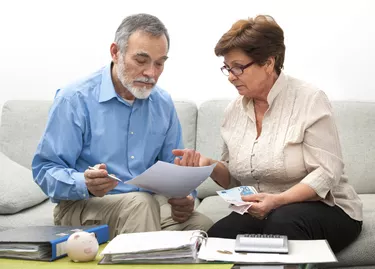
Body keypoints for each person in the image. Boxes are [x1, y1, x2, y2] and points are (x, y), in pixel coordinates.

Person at [173, 15, 362, 253]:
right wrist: (209, 165)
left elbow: (326, 174)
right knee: (217, 239)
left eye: (238, 67)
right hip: (267, 211)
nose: (231, 76)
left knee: (282, 224)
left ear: (268, 63)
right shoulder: (234, 111)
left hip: (327, 208)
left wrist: (278, 201)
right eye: (227, 68)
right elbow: (235, 179)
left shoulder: (309, 100)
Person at [32, 13, 213, 239]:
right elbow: (45, 169)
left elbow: (172, 168)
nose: (151, 73)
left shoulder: (162, 103)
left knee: (204, 226)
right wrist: (84, 183)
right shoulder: (74, 98)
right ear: (115, 52)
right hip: (85, 206)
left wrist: (184, 198)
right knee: (140, 204)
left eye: (159, 63)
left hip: (145, 206)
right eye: (141, 60)